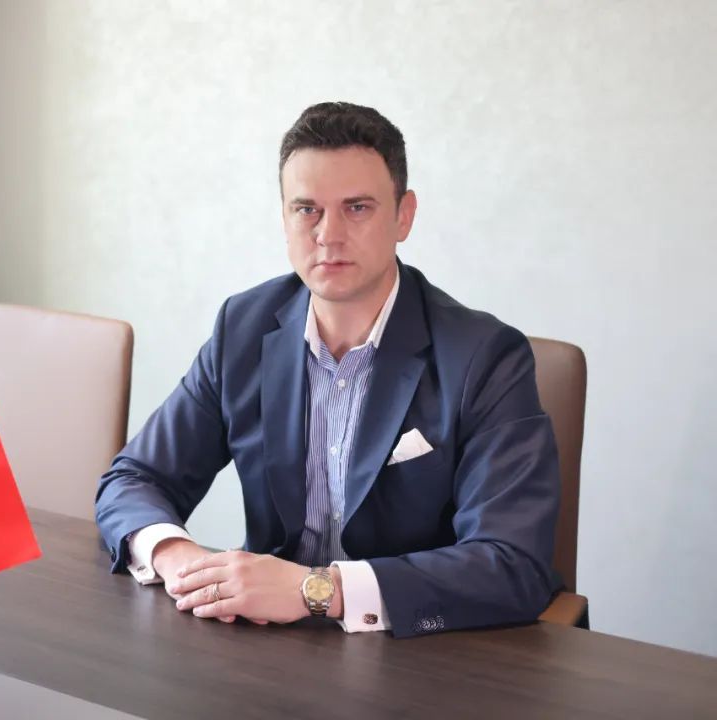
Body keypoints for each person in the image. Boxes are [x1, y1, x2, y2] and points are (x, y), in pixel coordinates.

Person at [95, 102, 560, 637]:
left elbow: (510, 564)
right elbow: (134, 479)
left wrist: (316, 590)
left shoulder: (485, 356)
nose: (328, 234)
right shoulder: (243, 329)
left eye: (357, 208)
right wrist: (180, 559)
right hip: (269, 643)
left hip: (419, 650)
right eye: (307, 209)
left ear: (404, 216)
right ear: (284, 218)